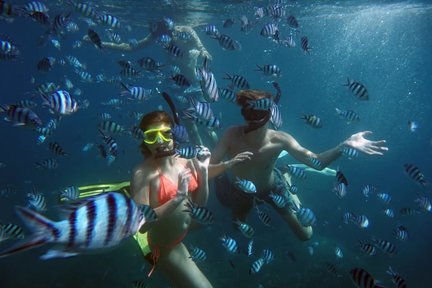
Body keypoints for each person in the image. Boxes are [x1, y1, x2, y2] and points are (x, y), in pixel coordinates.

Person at [208, 89, 388, 241]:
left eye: (256, 117)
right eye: (250, 116)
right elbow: (209, 169)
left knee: (306, 234)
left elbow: (317, 163)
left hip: (272, 188)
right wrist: (227, 164)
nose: (252, 123)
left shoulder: (280, 140)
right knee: (238, 227)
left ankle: (286, 176)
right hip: (241, 190)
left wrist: (344, 145)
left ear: (269, 116)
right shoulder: (231, 135)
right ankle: (211, 140)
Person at [130, 110, 213, 288]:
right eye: (151, 136)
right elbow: (141, 226)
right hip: (166, 247)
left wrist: (204, 172)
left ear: (173, 134)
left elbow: (199, 206)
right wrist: (177, 198)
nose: (160, 141)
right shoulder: (142, 174)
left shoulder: (185, 162)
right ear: (144, 141)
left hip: (184, 232)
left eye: (166, 133)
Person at [84, 17, 211, 85]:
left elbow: (198, 44)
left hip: (189, 67)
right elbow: (130, 48)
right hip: (173, 73)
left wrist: (204, 51)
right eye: (158, 35)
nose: (163, 39)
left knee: (199, 99)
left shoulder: (184, 30)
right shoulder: (156, 34)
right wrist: (98, 42)